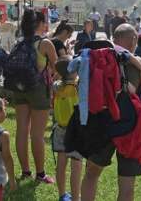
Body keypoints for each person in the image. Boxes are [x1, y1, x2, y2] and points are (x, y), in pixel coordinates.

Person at [80, 23, 141, 201]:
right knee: (127, 186)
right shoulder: (136, 62)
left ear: (114, 38)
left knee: (91, 174)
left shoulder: (95, 57)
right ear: (133, 40)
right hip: (128, 127)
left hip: (100, 122)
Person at [12, 10, 58, 184]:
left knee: (22, 131)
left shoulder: (19, 42)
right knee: (37, 134)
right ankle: (40, 174)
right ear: (40, 23)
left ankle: (25, 172)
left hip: (19, 88)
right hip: (38, 89)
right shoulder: (45, 43)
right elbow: (58, 67)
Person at [52, 58, 83, 201]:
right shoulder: (78, 87)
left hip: (60, 128)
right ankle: (76, 198)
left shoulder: (57, 86)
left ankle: (62, 195)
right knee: (76, 165)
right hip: (76, 131)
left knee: (61, 163)